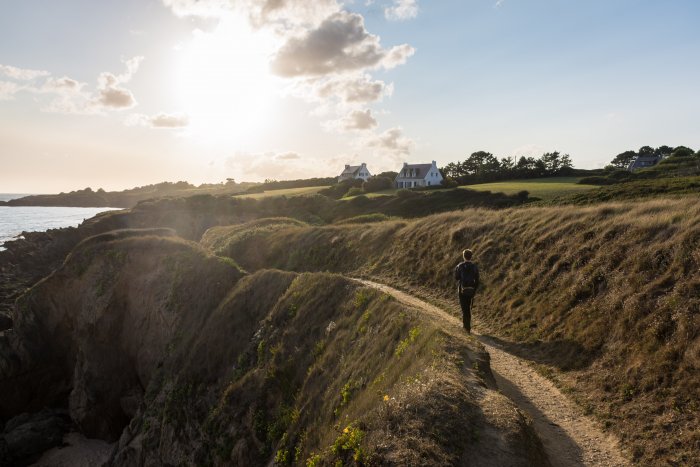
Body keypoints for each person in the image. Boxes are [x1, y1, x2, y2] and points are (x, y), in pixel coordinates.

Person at [454, 249, 479, 333]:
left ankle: (466, 327)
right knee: (468, 308)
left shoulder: (460, 266)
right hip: (471, 290)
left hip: (462, 289)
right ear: (471, 256)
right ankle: (467, 326)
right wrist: (474, 289)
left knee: (464, 308)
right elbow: (477, 279)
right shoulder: (475, 266)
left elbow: (456, 278)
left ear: (464, 256)